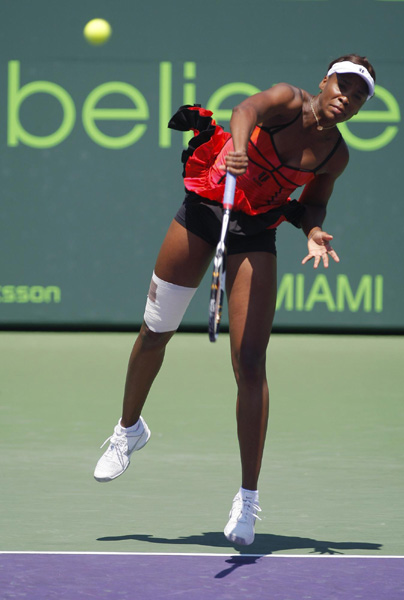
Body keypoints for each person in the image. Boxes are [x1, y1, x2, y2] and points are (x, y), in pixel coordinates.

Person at [94, 54, 376, 546]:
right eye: (342, 86)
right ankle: (128, 429)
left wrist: (313, 230)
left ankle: (247, 498)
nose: (346, 99)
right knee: (155, 330)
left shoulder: (335, 155)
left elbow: (314, 202)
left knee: (250, 363)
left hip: (256, 233)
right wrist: (239, 149)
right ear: (325, 81)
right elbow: (245, 109)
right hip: (206, 208)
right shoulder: (288, 100)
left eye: (358, 96)